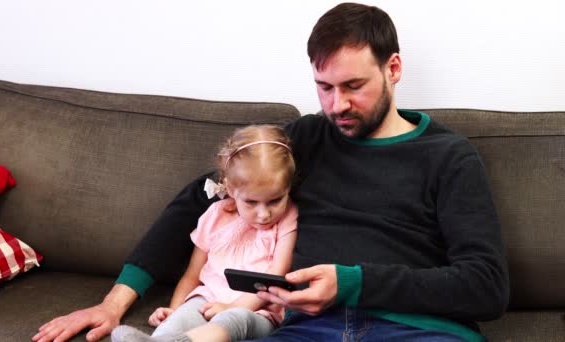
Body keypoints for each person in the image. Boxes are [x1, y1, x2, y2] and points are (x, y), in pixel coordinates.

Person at [33, 3, 509, 342]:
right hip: (303, 330)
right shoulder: (303, 139)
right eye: (323, 87)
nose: (336, 105)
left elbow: (486, 286)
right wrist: (114, 304)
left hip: (420, 331)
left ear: (394, 69)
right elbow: (198, 200)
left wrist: (352, 282)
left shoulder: (449, 156)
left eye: (353, 86)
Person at [110, 125, 298, 342]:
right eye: (251, 202)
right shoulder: (214, 216)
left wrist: (231, 307)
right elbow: (192, 275)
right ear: (230, 188)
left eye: (275, 200)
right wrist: (175, 310)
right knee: (179, 321)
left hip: (258, 311)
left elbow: (275, 275)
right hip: (207, 299)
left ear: (288, 188)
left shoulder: (288, 216)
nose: (264, 214)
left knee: (234, 319)